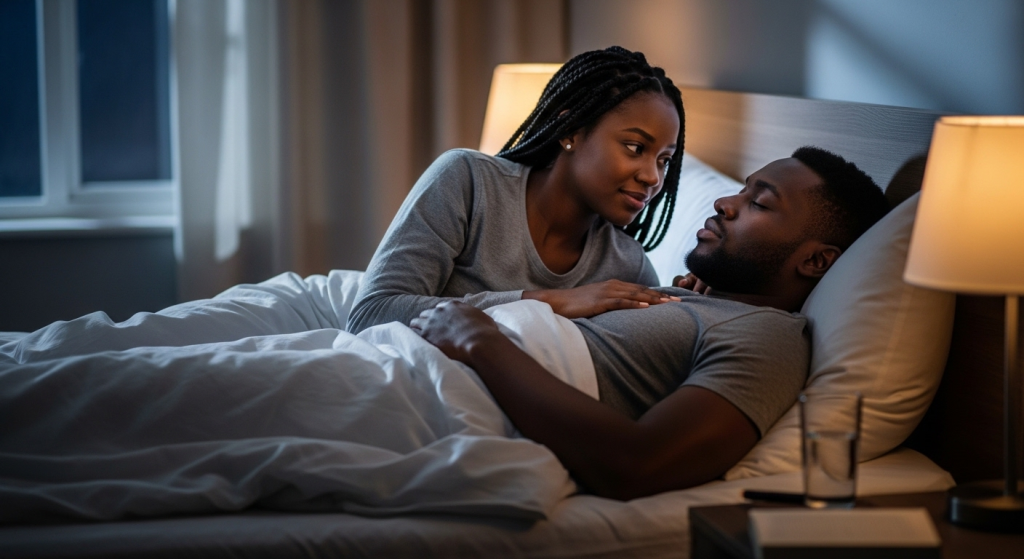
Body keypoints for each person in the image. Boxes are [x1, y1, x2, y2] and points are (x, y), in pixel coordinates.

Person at [411, 146, 891, 500]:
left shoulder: (770, 340)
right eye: (741, 188)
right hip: (422, 363)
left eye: (760, 204)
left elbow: (639, 464)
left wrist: (480, 340)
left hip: (450, 384)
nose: (726, 202)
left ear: (816, 262)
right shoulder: (693, 299)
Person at [347, 46, 687, 334]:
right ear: (570, 130)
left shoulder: (627, 266)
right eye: (635, 147)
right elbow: (371, 314)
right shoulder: (469, 181)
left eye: (664, 160)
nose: (653, 177)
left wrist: (699, 298)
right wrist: (548, 302)